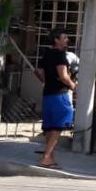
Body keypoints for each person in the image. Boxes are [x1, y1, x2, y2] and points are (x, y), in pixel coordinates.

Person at [36, 27, 76, 168]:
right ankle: (46, 157)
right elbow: (63, 76)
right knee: (59, 126)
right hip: (60, 94)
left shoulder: (47, 54)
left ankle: (50, 156)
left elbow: (39, 72)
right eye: (64, 38)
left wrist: (47, 81)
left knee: (50, 126)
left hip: (47, 93)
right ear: (56, 40)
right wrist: (74, 87)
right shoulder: (60, 55)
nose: (67, 40)